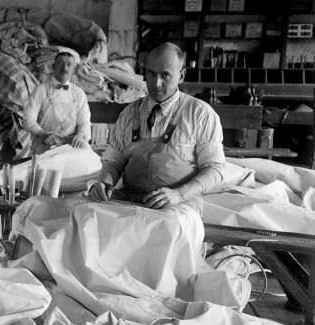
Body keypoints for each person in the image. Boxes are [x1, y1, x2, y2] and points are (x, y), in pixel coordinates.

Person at [88, 42, 225, 211]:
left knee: (167, 232)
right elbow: (114, 162)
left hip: (179, 206)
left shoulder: (200, 114)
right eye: (151, 74)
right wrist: (103, 184)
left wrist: (179, 194)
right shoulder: (129, 113)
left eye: (165, 75)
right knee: (87, 218)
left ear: (181, 76)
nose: (156, 83)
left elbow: (214, 169)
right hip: (130, 200)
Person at [22, 49, 91, 153]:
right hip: (45, 145)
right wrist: (43, 134)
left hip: (71, 146)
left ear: (74, 69)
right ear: (53, 67)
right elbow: (28, 120)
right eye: (60, 64)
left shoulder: (79, 93)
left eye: (69, 65)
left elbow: (84, 122)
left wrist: (80, 135)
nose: (65, 68)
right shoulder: (41, 90)